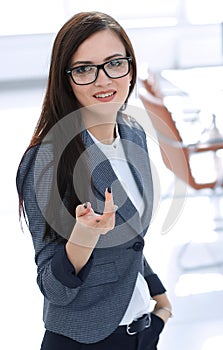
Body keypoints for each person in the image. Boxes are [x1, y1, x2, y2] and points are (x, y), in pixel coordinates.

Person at [16, 11, 172, 350]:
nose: (104, 80)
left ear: (130, 67)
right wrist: (83, 237)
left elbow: (131, 239)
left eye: (115, 63)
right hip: (84, 339)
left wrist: (159, 298)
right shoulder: (47, 161)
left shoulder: (133, 133)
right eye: (84, 69)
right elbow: (53, 289)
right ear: (66, 79)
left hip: (141, 331)